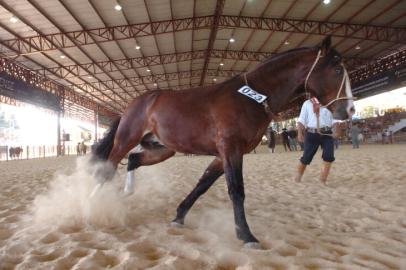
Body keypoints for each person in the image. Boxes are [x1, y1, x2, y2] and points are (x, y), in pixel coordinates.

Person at [294, 98, 339, 185]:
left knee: (329, 157)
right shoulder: (307, 103)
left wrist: (337, 130)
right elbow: (301, 120)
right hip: (311, 133)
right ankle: (297, 178)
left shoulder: (331, 103)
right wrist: (299, 133)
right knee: (306, 158)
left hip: (327, 134)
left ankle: (323, 181)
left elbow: (336, 119)